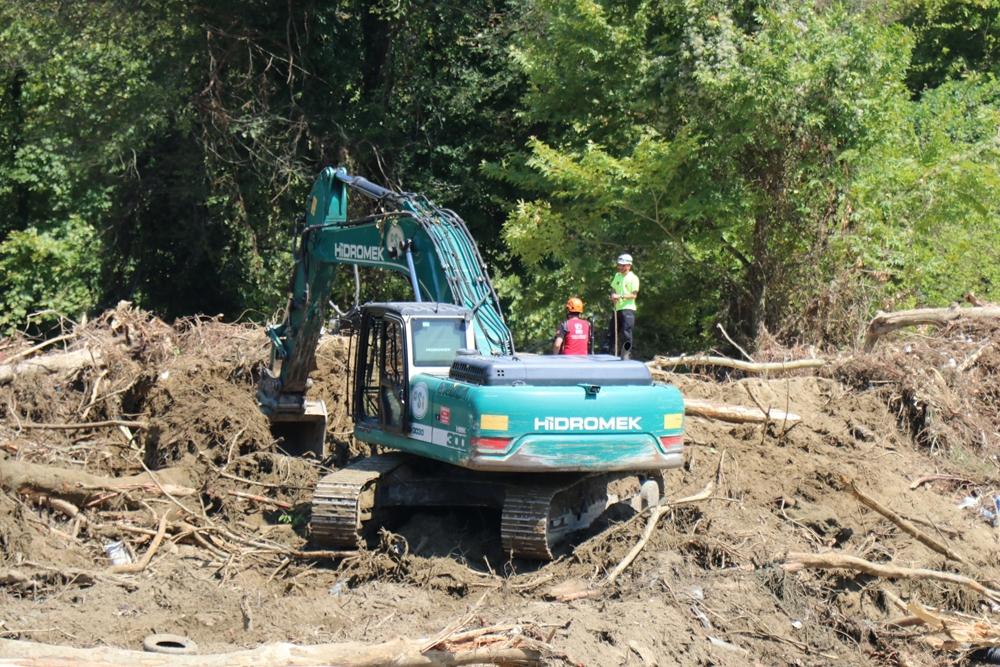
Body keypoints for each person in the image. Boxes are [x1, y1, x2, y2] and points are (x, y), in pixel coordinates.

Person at [607, 253, 639, 359]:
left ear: (629, 266)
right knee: (612, 331)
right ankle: (609, 353)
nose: (620, 267)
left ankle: (626, 354)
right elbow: (613, 289)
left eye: (623, 265)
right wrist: (612, 295)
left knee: (626, 333)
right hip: (618, 308)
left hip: (628, 309)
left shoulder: (633, 278)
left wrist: (619, 296)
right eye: (619, 265)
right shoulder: (617, 276)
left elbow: (633, 295)